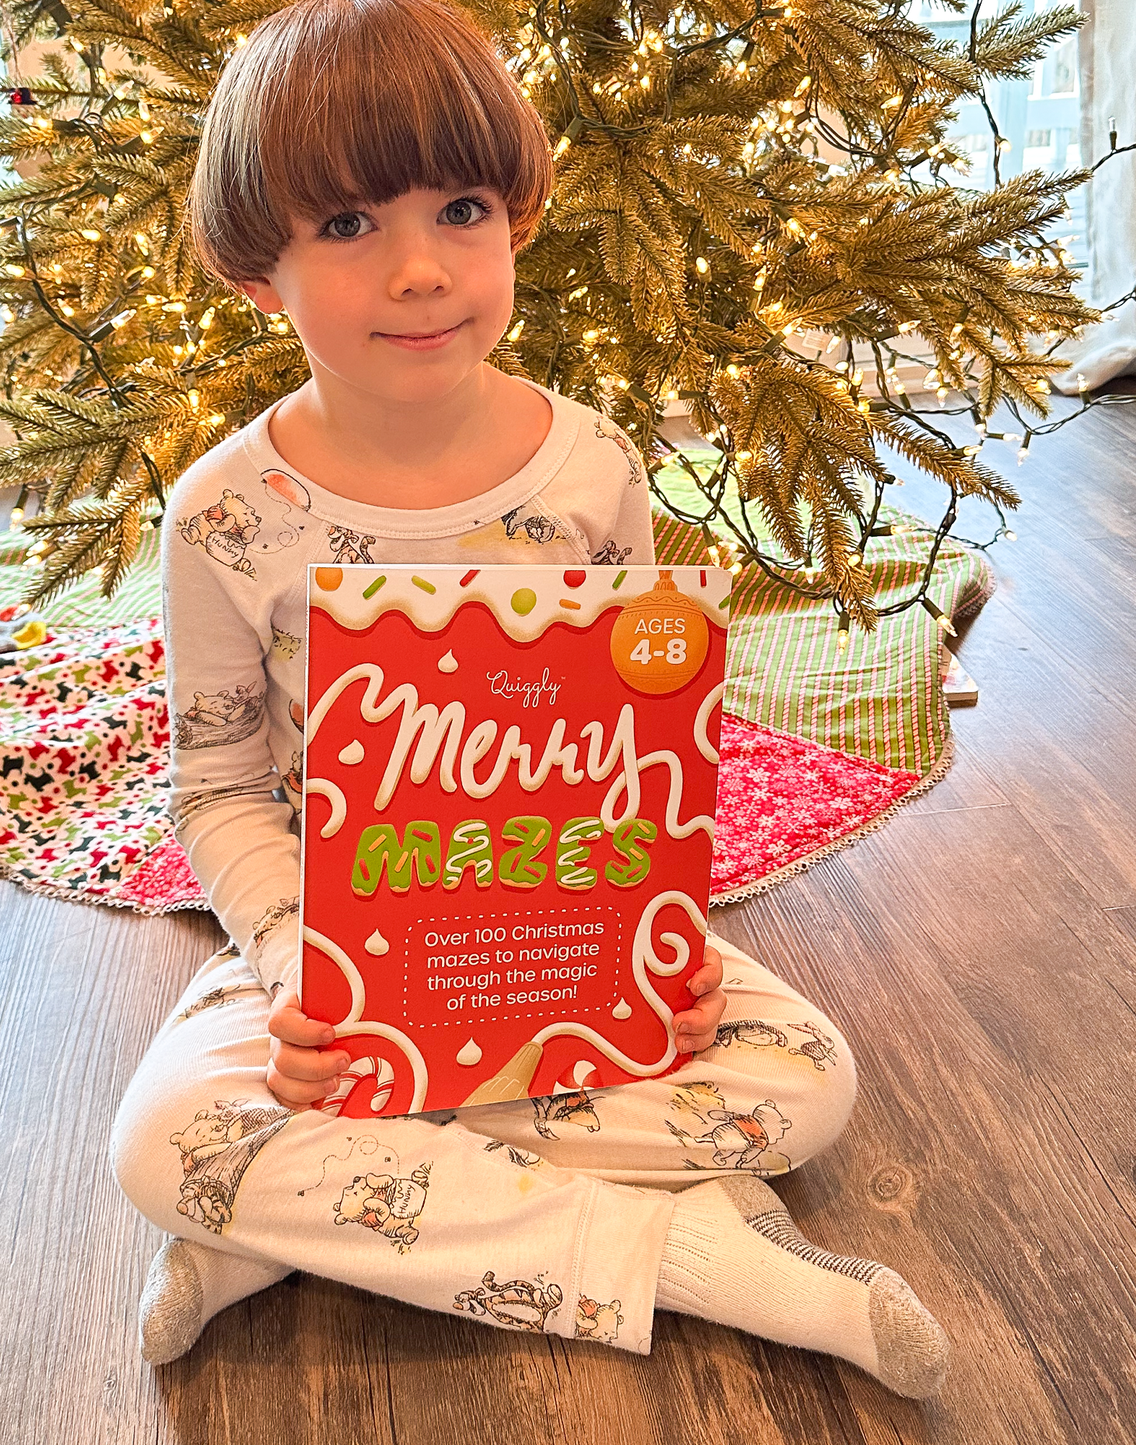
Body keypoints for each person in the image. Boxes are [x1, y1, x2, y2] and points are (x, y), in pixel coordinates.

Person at [109, 0, 949, 1396]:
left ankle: (306, 1230)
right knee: (160, 1144)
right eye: (345, 226)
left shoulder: (593, 467)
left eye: (460, 207)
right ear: (257, 272)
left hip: (568, 942)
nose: (422, 270)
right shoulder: (224, 515)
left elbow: (647, 744)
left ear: (519, 215)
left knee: (808, 1076)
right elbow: (218, 786)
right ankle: (706, 1258)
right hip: (345, 947)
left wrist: (656, 947)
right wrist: (293, 964)